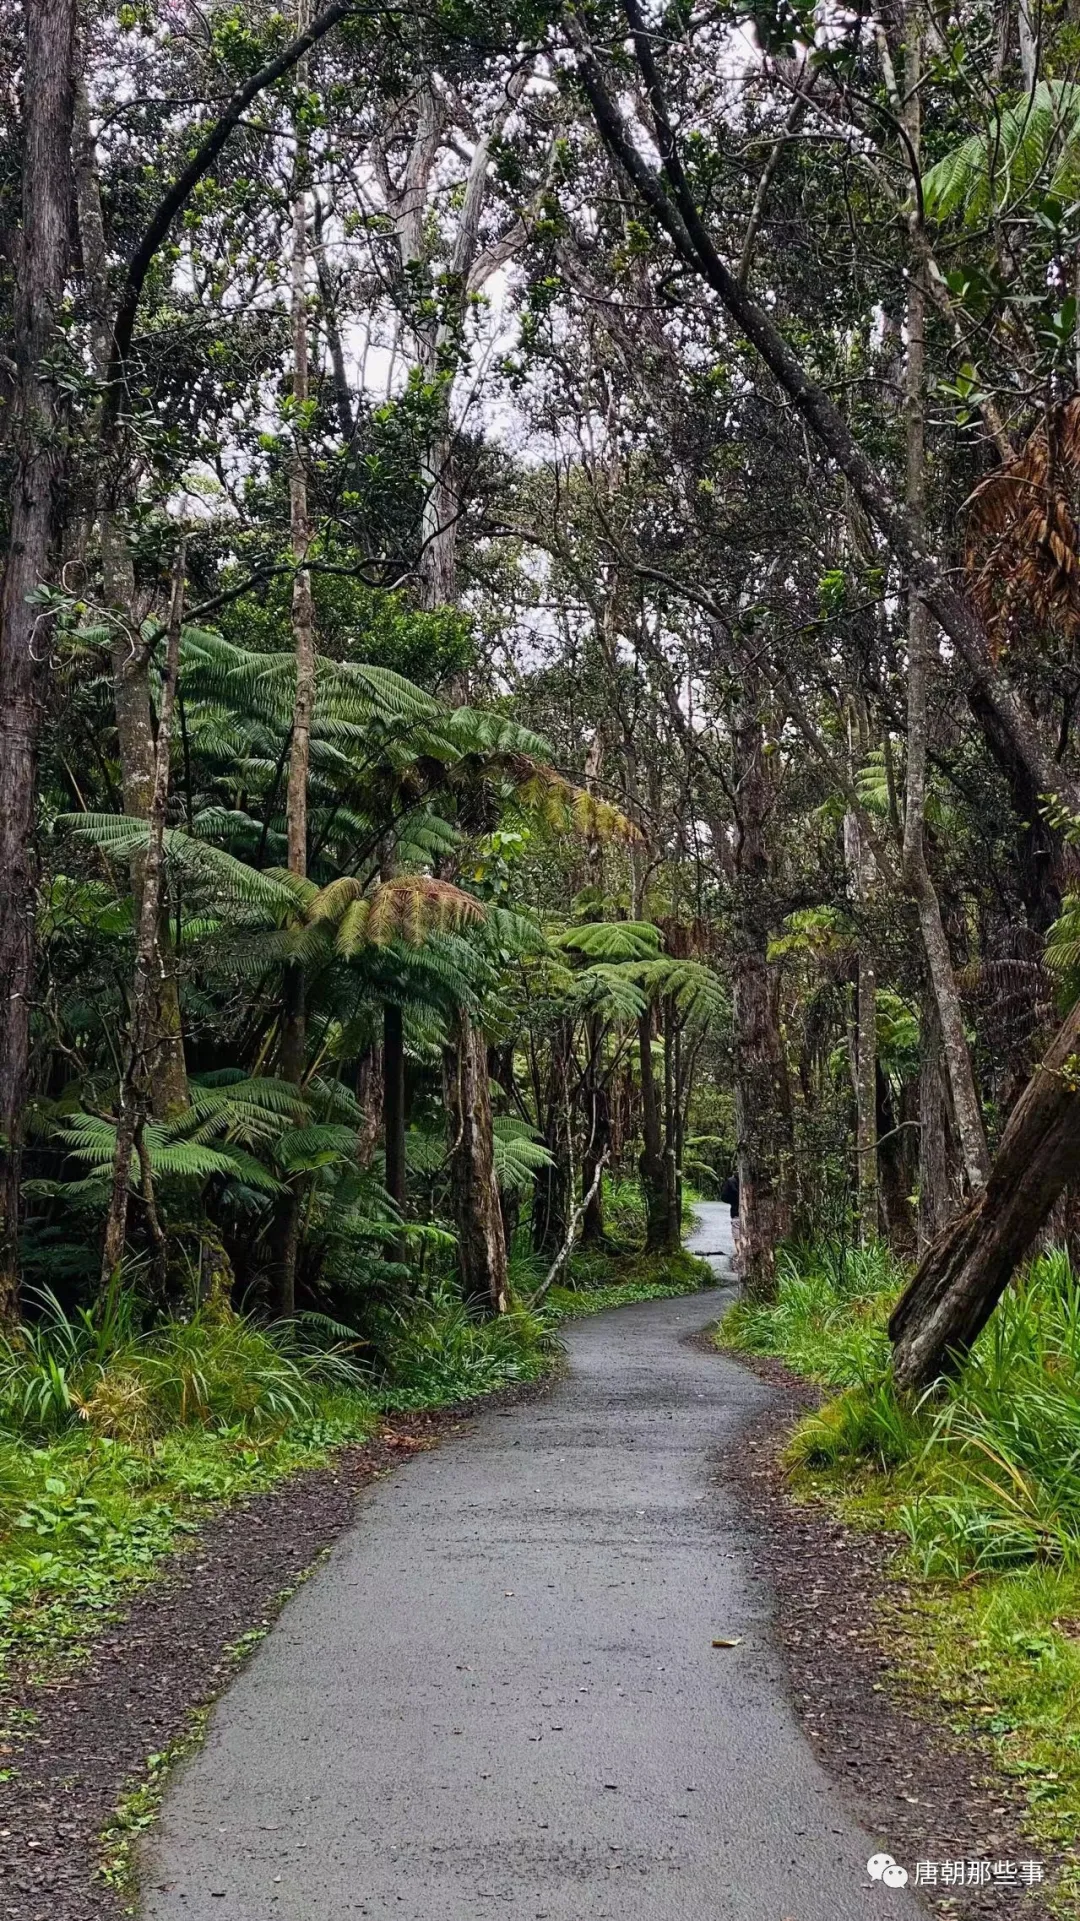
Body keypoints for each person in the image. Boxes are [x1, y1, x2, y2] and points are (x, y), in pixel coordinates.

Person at [720, 1170, 741, 1271]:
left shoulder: (731, 1181)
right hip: (752, 1214)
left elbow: (724, 1197)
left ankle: (741, 1256)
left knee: (737, 1238)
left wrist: (734, 1201)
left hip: (736, 1213)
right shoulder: (754, 1177)